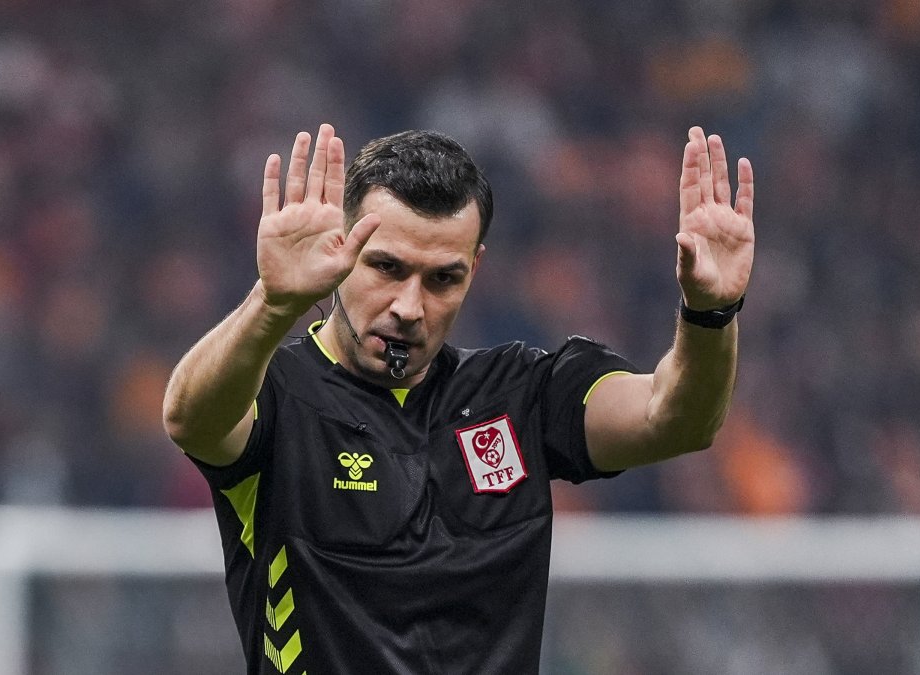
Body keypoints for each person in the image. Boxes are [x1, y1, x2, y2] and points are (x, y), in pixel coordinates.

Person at [162, 122, 754, 673]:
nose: (408, 307)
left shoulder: (522, 394)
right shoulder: (276, 391)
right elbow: (190, 418)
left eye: (442, 278)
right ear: (339, 250)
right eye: (386, 267)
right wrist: (272, 304)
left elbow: (676, 419)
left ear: (475, 268)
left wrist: (711, 312)